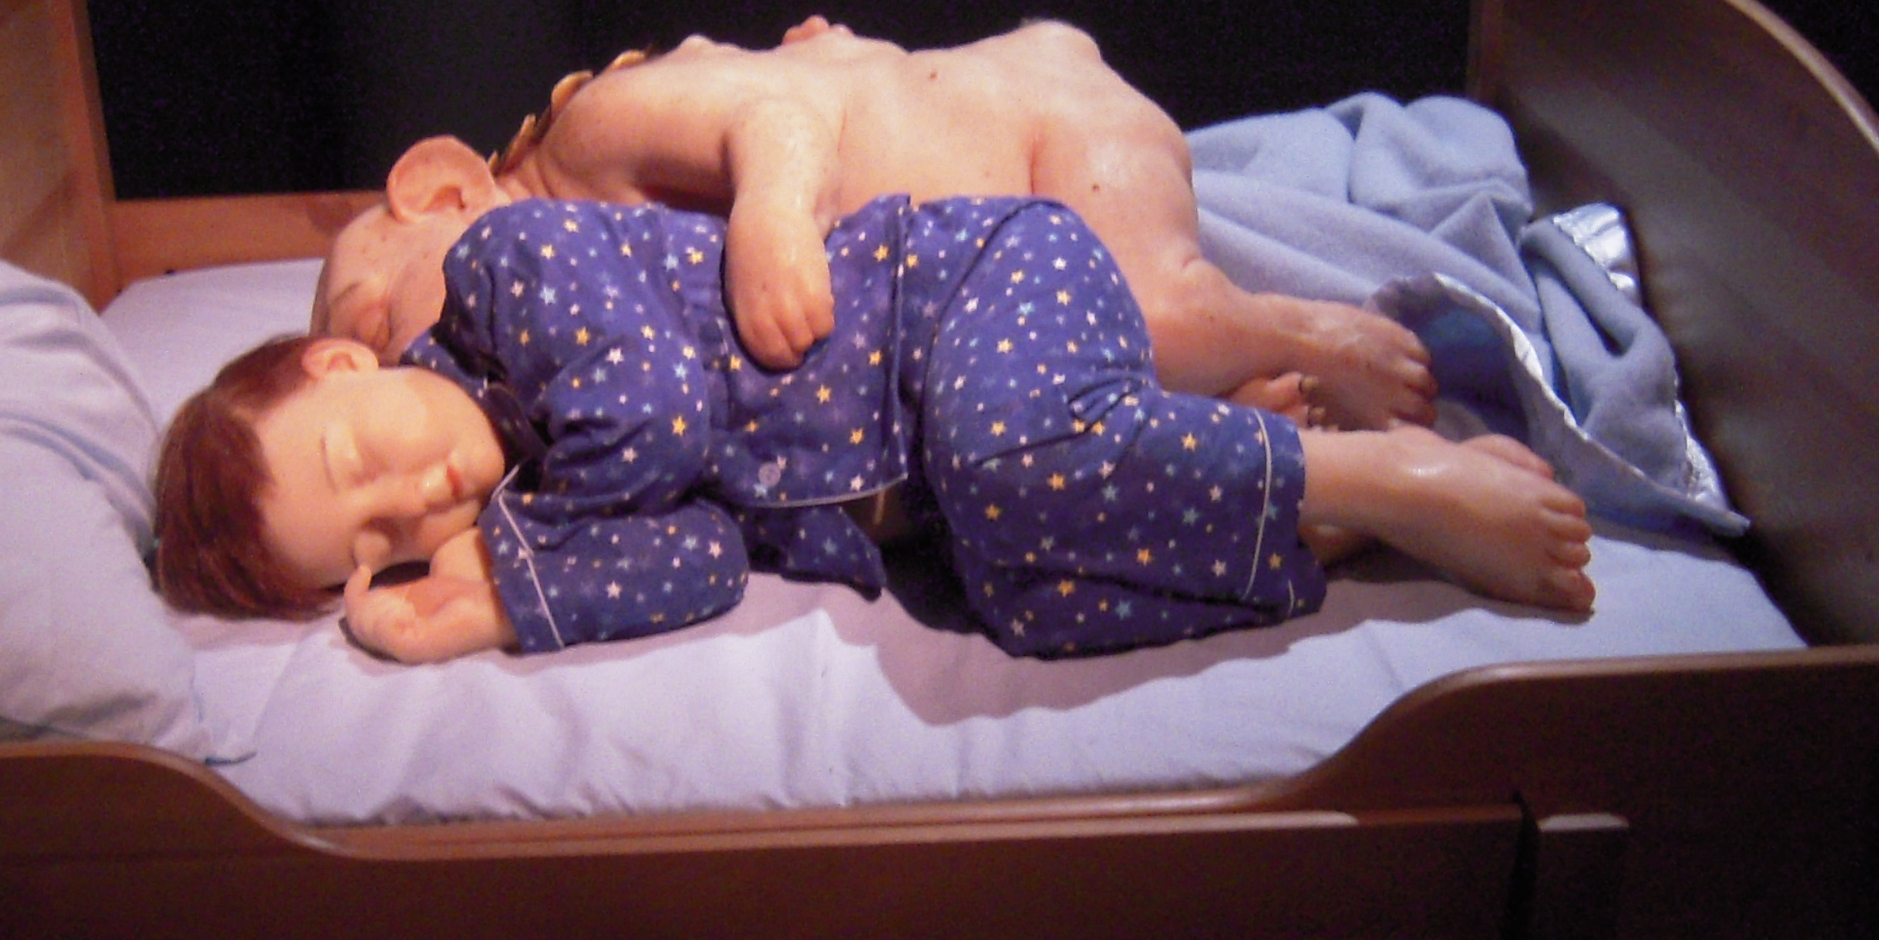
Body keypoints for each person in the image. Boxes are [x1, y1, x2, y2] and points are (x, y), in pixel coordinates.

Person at [157, 195, 1591, 664]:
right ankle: (1316, 521)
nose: (420, 492)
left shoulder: (502, 274)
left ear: (343, 356)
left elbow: (657, 414)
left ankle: (1389, 474)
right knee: (1022, 597)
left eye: (363, 459)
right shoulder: (543, 500)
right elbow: (705, 561)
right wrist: (484, 613)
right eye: (388, 537)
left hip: (963, 291)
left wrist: (523, 548)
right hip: (948, 474)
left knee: (1005, 467)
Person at [310, 19, 1436, 429]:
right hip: (993, 272)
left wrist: (769, 221)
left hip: (1042, 135)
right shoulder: (562, 320)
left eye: (375, 318)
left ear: (445, 191)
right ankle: (1234, 417)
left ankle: (1304, 333)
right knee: (1059, 409)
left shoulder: (585, 139)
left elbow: (779, 115)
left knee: (1156, 316)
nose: (405, 361)